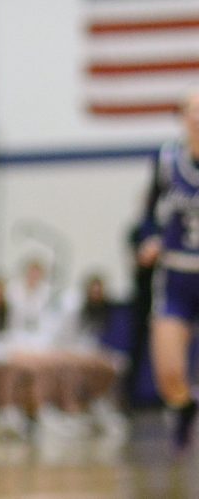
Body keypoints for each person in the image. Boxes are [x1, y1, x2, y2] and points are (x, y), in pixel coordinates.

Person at [139, 87, 199, 451]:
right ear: (182, 118)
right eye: (191, 109)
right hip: (176, 276)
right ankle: (183, 405)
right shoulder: (165, 160)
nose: (197, 115)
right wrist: (148, 240)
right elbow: (147, 217)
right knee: (169, 374)